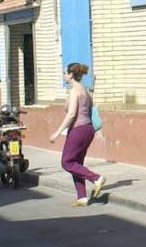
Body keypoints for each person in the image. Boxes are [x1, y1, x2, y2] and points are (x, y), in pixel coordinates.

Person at [49, 62, 107, 206]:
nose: (64, 75)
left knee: (67, 162)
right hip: (88, 129)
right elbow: (89, 109)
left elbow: (71, 114)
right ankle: (82, 197)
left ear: (70, 75)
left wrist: (57, 132)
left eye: (65, 73)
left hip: (78, 129)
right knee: (77, 163)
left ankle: (96, 178)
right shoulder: (85, 90)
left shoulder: (75, 91)